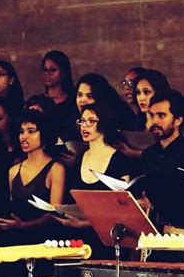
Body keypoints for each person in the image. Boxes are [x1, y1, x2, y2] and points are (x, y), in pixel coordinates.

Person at [54, 103, 133, 258]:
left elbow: (124, 210)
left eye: (91, 121)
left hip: (109, 240)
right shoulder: (80, 158)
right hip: (80, 240)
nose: (85, 126)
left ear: (103, 123)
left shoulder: (120, 160)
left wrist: (84, 224)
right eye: (82, 121)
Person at [0, 110, 65, 246]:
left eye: (31, 131)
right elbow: (13, 208)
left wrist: (24, 225)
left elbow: (55, 213)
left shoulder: (56, 169)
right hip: (16, 239)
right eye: (21, 131)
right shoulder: (13, 170)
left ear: (44, 133)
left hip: (45, 241)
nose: (24, 136)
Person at [138, 91, 184, 229]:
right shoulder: (148, 154)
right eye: (152, 115)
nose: (155, 121)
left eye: (161, 115)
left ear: (178, 120)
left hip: (182, 230)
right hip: (149, 228)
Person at [30, 50, 77, 142]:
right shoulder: (35, 101)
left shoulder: (73, 101)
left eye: (52, 70)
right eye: (45, 70)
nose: (47, 73)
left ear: (63, 72)